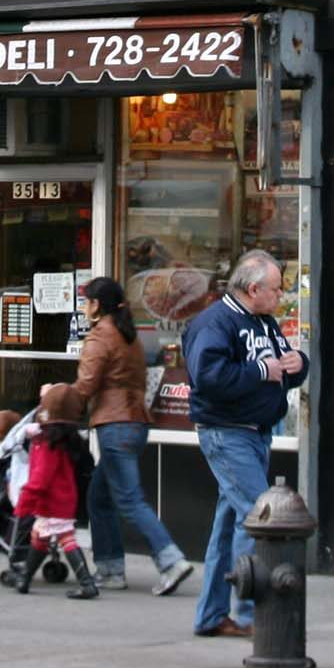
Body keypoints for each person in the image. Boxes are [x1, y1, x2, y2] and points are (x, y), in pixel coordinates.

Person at [180, 251, 304, 639]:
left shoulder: (263, 323)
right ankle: (252, 613)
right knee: (260, 518)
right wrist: (261, 371)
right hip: (227, 432)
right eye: (276, 289)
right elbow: (209, 377)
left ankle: (212, 615)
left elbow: (281, 370)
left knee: (230, 525)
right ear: (254, 289)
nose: (280, 296)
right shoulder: (214, 323)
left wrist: (298, 364)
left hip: (254, 433)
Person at [70, 276, 194, 595]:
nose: (84, 307)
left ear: (97, 305)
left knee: (128, 498)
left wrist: (56, 398)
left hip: (115, 425)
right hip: (135, 423)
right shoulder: (129, 336)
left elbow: (86, 384)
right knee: (99, 497)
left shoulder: (101, 336)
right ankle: (110, 569)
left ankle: (171, 560)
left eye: (86, 301)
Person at [4, 383, 103, 599]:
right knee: (39, 537)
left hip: (51, 501)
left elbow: (40, 479)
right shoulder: (66, 440)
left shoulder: (47, 444)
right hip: (63, 499)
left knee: (65, 539)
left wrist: (25, 502)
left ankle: (86, 583)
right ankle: (25, 580)